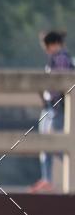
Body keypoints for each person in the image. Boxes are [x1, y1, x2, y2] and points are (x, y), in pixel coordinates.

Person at [33, 30, 74, 191]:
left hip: (58, 107)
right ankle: (46, 178)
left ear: (54, 44)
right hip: (51, 107)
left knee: (57, 145)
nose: (46, 49)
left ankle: (48, 178)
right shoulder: (59, 58)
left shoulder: (62, 59)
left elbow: (61, 84)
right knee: (47, 144)